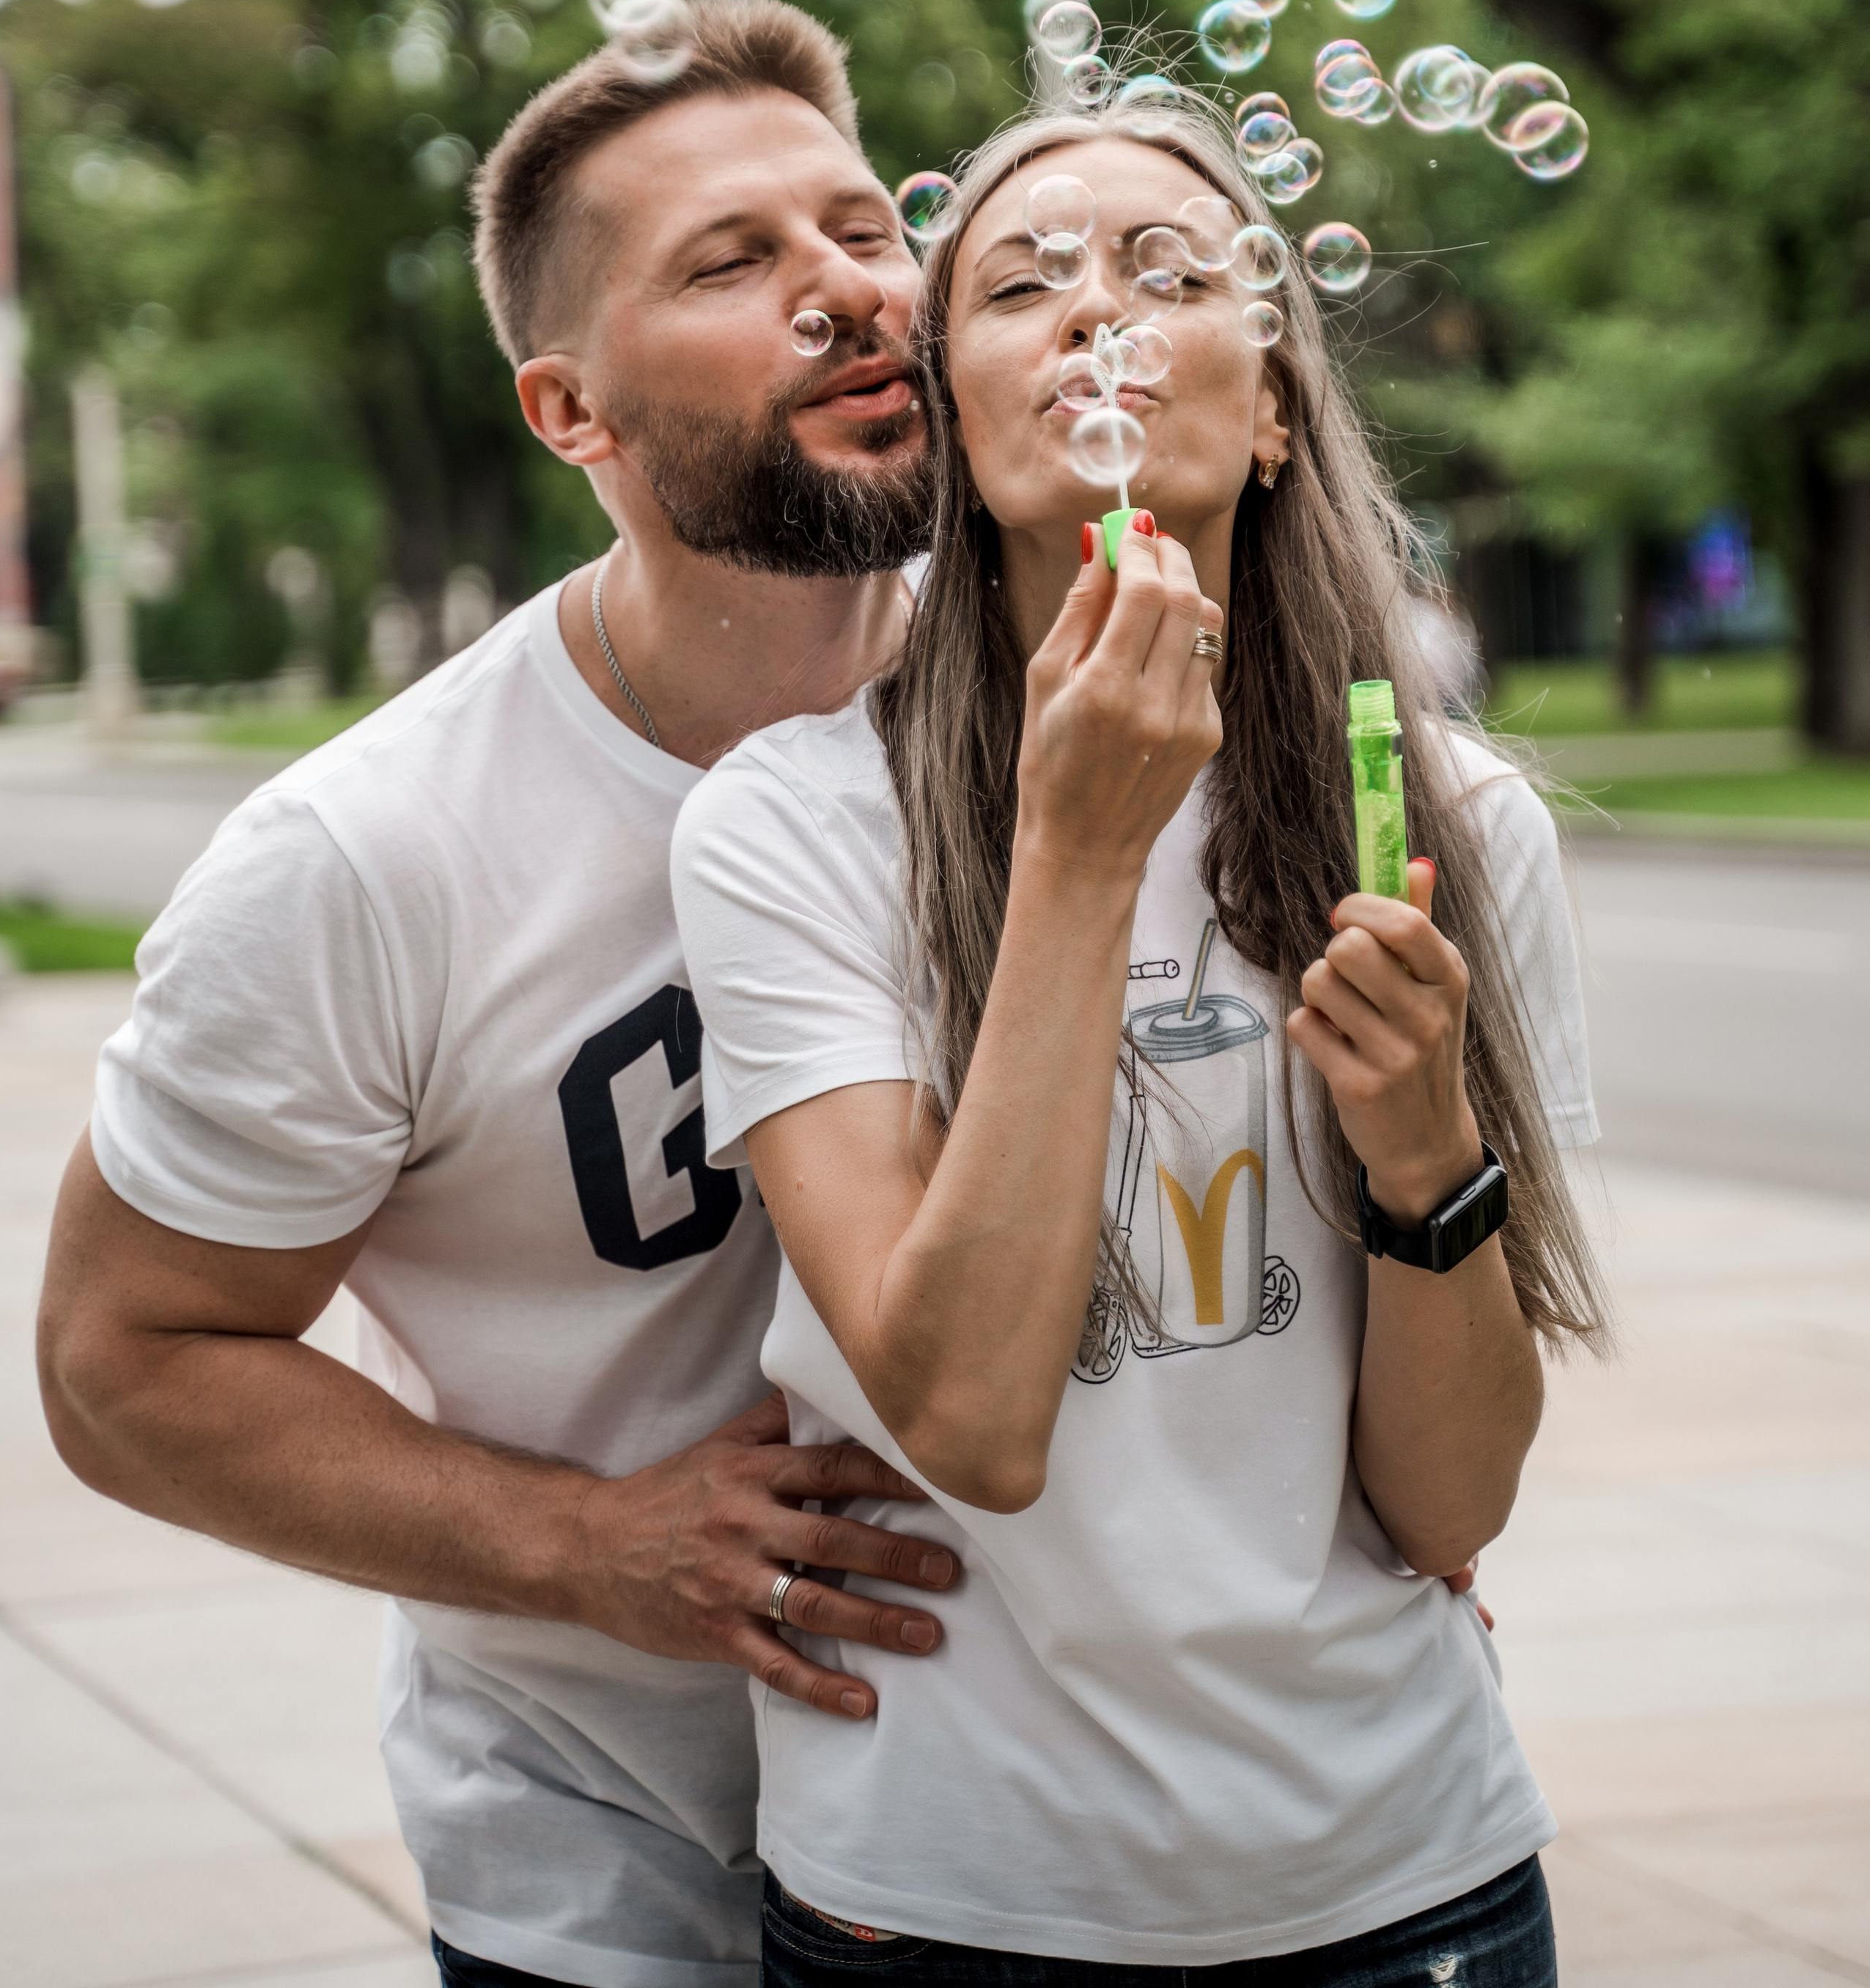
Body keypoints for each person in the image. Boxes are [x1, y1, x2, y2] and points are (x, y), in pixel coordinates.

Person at [35, 0, 962, 1988]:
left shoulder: (1093, 706)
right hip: (630, 1874)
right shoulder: (369, 858)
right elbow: (126, 1367)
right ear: (572, 414)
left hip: (1067, 1841)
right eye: (732, 262)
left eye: (866, 228)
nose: (844, 290)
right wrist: (588, 1548)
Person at [671, 95, 1608, 1988]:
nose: (1095, 311)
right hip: (952, 1907)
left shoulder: (1453, 822)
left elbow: (1453, 1505)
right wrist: (1079, 859)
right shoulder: (791, 829)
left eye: (1168, 271)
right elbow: (970, 1419)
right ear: (955, 416)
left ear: (1271, 411)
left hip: (1404, 1886)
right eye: (1019, 285)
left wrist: (1424, 1145)